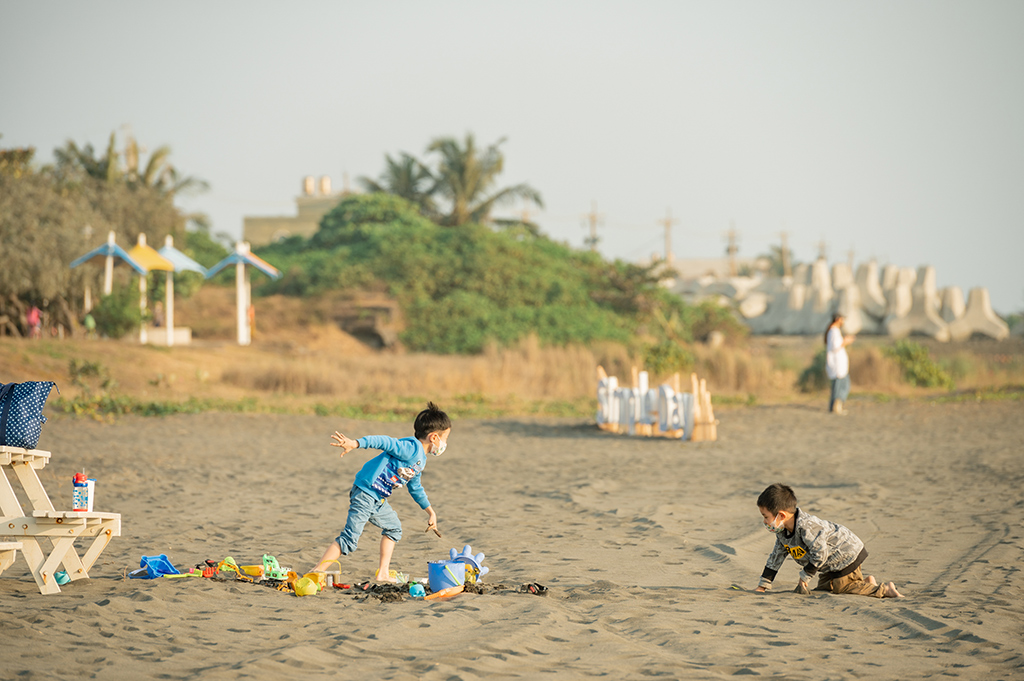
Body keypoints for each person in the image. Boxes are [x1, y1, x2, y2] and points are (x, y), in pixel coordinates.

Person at [312, 402, 451, 583]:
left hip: (378, 499)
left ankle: (383, 573)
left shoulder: (420, 460)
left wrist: (430, 512)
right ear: (434, 437)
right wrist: (356, 443)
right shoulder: (410, 448)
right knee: (349, 539)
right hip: (365, 492)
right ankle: (316, 571)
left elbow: (415, 487)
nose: (445, 443)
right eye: (445, 438)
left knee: (394, 528)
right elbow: (384, 441)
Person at [754, 483, 902, 598]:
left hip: (846, 554)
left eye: (766, 516)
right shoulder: (782, 532)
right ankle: (865, 584)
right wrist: (763, 586)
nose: (765, 521)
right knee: (824, 589)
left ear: (781, 515)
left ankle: (884, 590)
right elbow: (776, 557)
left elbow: (820, 553)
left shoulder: (807, 526)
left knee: (841, 588)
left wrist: (804, 577)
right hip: (829, 565)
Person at [825, 313, 854, 414]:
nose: (843, 322)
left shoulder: (833, 331)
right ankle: (836, 407)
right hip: (837, 364)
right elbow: (835, 346)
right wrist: (846, 341)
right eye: (842, 319)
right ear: (838, 319)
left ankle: (833, 407)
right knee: (843, 385)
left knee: (836, 386)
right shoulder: (833, 331)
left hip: (837, 364)